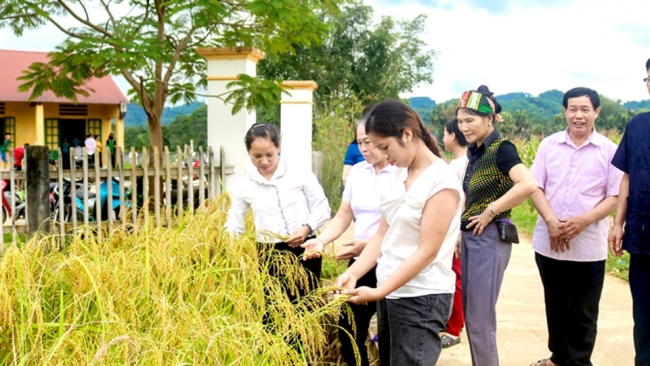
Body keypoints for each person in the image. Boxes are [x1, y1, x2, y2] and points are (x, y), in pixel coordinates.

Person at [334, 100, 463, 365]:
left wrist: (379, 291)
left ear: (406, 134)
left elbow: (427, 252)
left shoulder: (441, 182)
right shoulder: (397, 174)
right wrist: (354, 274)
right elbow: (383, 234)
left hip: (421, 296)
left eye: (384, 146)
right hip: (392, 290)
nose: (381, 154)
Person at [529, 87, 623, 366]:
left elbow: (616, 196)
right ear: (565, 111)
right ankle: (558, 358)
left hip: (588, 248)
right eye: (573, 109)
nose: (578, 115)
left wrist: (582, 221)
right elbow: (534, 186)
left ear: (596, 112)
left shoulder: (609, 150)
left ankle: (580, 362)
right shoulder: (549, 145)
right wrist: (550, 221)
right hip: (549, 242)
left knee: (583, 311)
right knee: (555, 306)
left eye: (585, 109)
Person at [302, 106, 396, 366]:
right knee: (349, 329)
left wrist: (368, 245)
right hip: (360, 263)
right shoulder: (357, 172)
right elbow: (344, 215)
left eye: (369, 142)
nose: (364, 149)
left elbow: (406, 225)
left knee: (390, 336)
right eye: (359, 142)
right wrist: (321, 240)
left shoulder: (402, 173)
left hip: (394, 262)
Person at [456, 86, 536, 366]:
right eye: (461, 121)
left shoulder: (502, 149)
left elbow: (527, 184)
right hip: (472, 236)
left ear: (489, 119)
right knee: (473, 317)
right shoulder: (475, 152)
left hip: (489, 237)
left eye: (470, 120)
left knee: (480, 320)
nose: (464, 127)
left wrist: (490, 212)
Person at [225, 123, 331, 304]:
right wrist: (232, 250)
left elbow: (322, 208)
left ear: (278, 147)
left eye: (269, 155)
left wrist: (306, 229)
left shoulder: (299, 172)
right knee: (273, 310)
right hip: (268, 255)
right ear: (248, 152)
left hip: (305, 249)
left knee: (306, 307)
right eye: (257, 156)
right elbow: (234, 223)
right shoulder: (245, 185)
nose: (264, 161)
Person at [609, 58, 650, 366]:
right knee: (645, 318)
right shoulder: (637, 125)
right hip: (642, 238)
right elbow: (627, 177)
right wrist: (618, 223)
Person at [441, 118, 469, 349]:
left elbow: (463, 201)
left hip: (455, 230)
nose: (443, 139)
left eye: (444, 134)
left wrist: (458, 231)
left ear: (452, 136)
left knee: (456, 278)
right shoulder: (455, 164)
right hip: (451, 230)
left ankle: (454, 327)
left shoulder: (461, 164)